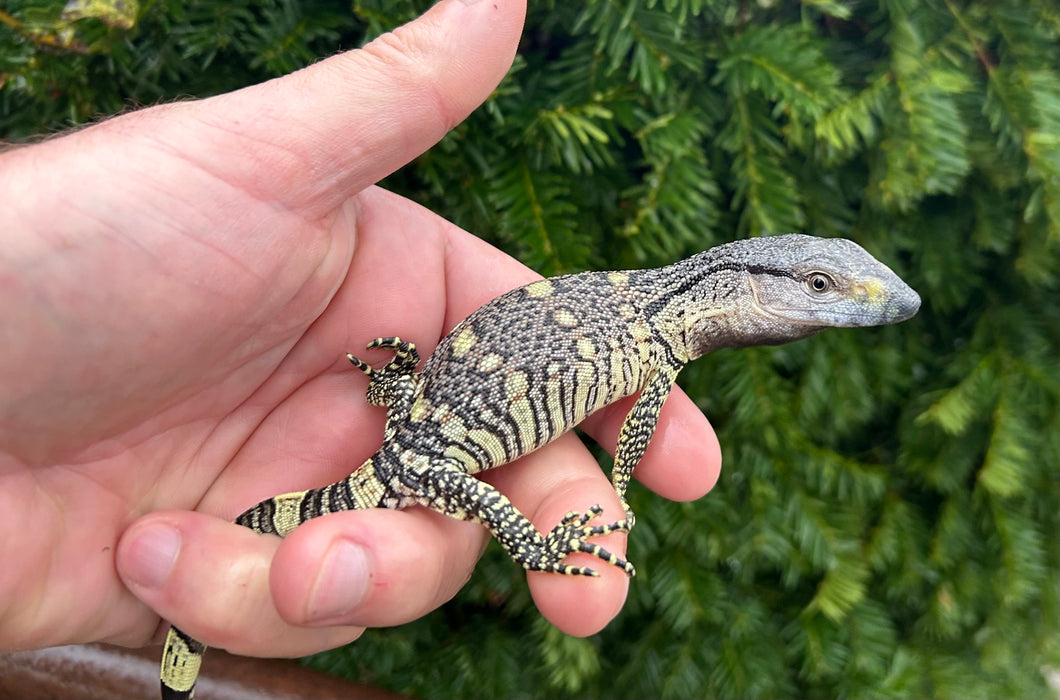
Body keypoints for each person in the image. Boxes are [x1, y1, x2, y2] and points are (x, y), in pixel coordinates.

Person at [0, 0, 720, 661]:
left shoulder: (639, 315)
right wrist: (587, 515)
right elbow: (624, 441)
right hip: (421, 459)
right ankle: (539, 548)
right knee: (478, 503)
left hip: (417, 431)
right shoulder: (645, 329)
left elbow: (629, 437)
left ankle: (408, 407)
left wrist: (617, 487)